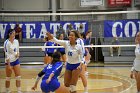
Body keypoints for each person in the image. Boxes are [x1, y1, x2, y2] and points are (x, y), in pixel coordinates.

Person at [4, 29, 22, 93]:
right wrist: (8, 65)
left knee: (18, 77)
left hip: (16, 61)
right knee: (8, 78)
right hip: (9, 62)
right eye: (13, 33)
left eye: (15, 33)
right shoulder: (6, 43)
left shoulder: (16, 41)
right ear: (10, 34)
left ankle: (19, 91)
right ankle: (7, 90)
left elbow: (17, 50)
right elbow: (6, 55)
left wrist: (18, 54)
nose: (15, 34)